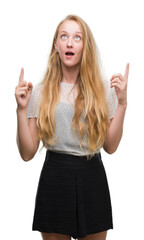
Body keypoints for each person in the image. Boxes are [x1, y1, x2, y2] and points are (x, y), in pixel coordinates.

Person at [15, 14, 129, 240]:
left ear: (85, 46)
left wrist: (123, 103)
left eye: (77, 37)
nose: (69, 42)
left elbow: (110, 146)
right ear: (56, 46)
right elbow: (27, 153)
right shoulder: (41, 91)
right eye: (64, 36)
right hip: (55, 177)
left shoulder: (103, 90)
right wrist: (20, 110)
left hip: (92, 176)